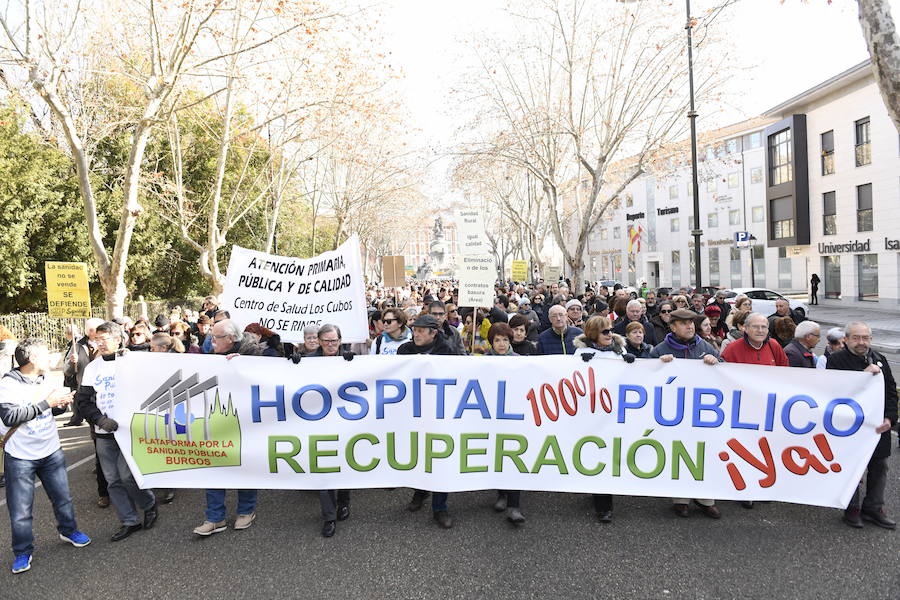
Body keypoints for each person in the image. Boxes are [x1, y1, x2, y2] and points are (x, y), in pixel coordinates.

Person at [0, 338, 90, 574]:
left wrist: (59, 404)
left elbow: (51, 408)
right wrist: (46, 403)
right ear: (31, 359)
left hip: (51, 451)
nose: (50, 358)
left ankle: (69, 531)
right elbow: (10, 417)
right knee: (20, 510)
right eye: (45, 354)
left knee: (63, 498)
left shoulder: (43, 378)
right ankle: (22, 551)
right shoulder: (8, 384)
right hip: (20, 456)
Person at [76, 322, 158, 542]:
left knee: (127, 475)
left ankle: (149, 504)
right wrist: (99, 419)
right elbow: (82, 400)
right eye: (97, 340)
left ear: (118, 339)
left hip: (129, 431)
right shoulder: (93, 368)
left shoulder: (132, 362)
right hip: (104, 432)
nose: (100, 344)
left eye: (105, 339)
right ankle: (129, 520)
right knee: (112, 480)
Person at [649, 308, 722, 519]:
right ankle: (680, 500)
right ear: (672, 327)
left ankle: (706, 499)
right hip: (674, 412)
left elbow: (725, 374)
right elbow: (646, 378)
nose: (689, 326)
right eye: (683, 323)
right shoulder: (660, 349)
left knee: (703, 453)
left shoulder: (704, 346)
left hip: (702, 412)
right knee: (679, 453)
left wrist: (715, 362)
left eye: (691, 323)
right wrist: (659, 366)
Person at [193, 319, 262, 536]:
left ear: (231, 339)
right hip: (217, 420)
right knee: (214, 468)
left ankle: (246, 511)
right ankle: (215, 518)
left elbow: (271, 370)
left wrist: (246, 365)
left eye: (216, 337)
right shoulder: (212, 357)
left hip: (247, 422)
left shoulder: (253, 354)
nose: (211, 341)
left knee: (245, 466)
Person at [827, 322, 897, 530]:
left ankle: (874, 508)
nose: (861, 342)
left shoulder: (879, 359)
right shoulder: (836, 361)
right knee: (852, 469)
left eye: (865, 338)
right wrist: (863, 377)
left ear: (871, 340)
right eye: (856, 338)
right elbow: (832, 394)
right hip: (849, 429)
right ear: (846, 339)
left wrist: (890, 419)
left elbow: (891, 392)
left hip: (877, 428)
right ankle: (852, 509)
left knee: (879, 467)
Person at [573, 315, 632, 522]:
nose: (610, 334)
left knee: (610, 452)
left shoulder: (620, 351)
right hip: (593, 412)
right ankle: (601, 502)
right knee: (596, 453)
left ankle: (604, 499)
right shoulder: (582, 353)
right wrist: (580, 365)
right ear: (593, 334)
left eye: (610, 330)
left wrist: (631, 364)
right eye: (605, 331)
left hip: (615, 411)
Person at [399, 315, 455, 528]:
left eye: (421, 331)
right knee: (419, 454)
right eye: (415, 330)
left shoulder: (447, 351)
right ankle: (420, 491)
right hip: (414, 411)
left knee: (439, 456)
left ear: (433, 333)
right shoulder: (404, 350)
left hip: (440, 412)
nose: (416, 334)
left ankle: (440, 507)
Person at [305, 324, 354, 538]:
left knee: (344, 465)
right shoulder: (307, 362)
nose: (331, 345)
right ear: (319, 341)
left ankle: (344, 502)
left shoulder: (351, 360)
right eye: (326, 341)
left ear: (340, 340)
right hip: (319, 423)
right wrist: (294, 365)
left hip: (346, 423)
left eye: (334, 340)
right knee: (323, 470)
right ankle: (329, 516)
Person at [721, 313, 789, 367]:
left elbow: (784, 370)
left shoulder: (774, 345)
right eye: (755, 327)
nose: (760, 330)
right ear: (746, 328)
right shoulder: (732, 349)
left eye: (763, 327)